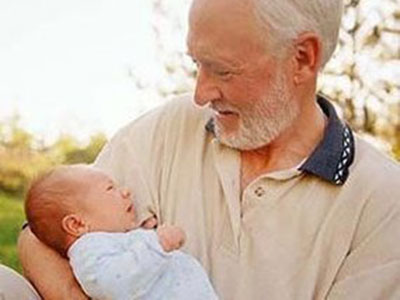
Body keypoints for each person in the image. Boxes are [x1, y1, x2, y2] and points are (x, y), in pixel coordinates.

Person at [18, 0, 400, 299]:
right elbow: (40, 234)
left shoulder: (384, 200)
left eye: (223, 71)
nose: (201, 94)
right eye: (197, 64)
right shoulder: (169, 126)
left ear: (302, 58)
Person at [24, 165, 218, 300]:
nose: (126, 191)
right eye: (110, 188)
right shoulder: (88, 250)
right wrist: (158, 244)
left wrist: (145, 234)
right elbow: (116, 284)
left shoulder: (109, 240)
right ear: (77, 224)